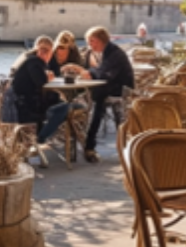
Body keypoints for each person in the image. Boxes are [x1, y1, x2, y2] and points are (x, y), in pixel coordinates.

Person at [10, 36, 84, 160]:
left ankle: (44, 136)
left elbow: (37, 83)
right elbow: (40, 83)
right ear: (48, 52)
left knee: (62, 105)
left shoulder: (29, 60)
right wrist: (47, 78)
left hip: (22, 103)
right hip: (29, 106)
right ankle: (41, 138)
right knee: (67, 108)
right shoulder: (34, 62)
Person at [77, 26, 135, 163]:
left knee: (102, 113)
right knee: (91, 111)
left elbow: (107, 75)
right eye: (88, 41)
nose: (90, 44)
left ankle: (121, 147)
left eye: (93, 41)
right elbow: (90, 71)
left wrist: (91, 73)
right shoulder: (90, 53)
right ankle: (88, 147)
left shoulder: (115, 53)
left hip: (119, 92)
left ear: (102, 40)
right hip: (101, 90)